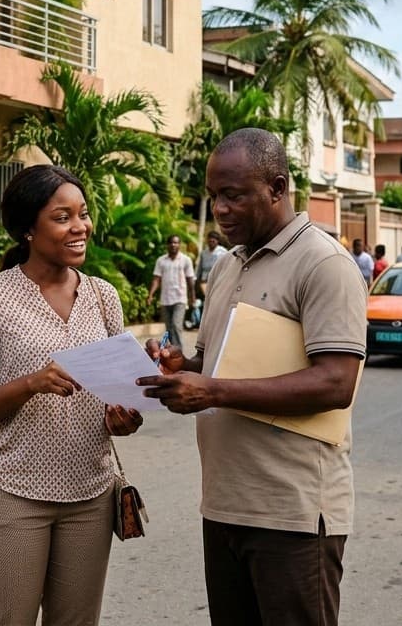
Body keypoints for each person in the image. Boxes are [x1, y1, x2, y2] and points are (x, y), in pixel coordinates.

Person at [137, 128, 367, 626]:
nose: (220, 209)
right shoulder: (226, 266)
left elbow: (335, 382)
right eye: (214, 196)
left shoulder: (325, 264)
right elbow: (217, 365)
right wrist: (184, 368)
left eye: (234, 195)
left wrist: (212, 390)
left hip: (293, 513)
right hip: (224, 506)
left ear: (278, 188)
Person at [0, 165, 143, 626]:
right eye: (63, 217)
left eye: (83, 214)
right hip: (12, 494)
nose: (80, 227)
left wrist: (126, 414)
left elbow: (121, 393)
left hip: (91, 495)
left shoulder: (102, 297)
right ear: (27, 229)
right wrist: (30, 383)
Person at [149, 234, 195, 352]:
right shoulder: (161, 261)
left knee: (176, 325)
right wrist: (151, 294)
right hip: (166, 299)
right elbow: (156, 279)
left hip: (180, 298)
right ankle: (173, 353)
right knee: (169, 329)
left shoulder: (186, 260)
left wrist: (192, 297)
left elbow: (190, 279)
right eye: (171, 243)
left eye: (176, 243)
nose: (173, 245)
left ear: (179, 245)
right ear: (167, 245)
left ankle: (179, 353)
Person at [187, 230, 228, 329]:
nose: (211, 243)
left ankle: (215, 323)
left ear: (217, 241)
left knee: (214, 302)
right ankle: (203, 324)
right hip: (204, 282)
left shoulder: (223, 252)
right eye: (209, 241)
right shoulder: (204, 253)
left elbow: (226, 267)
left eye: (213, 241)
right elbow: (199, 268)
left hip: (218, 280)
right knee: (206, 302)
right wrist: (196, 280)